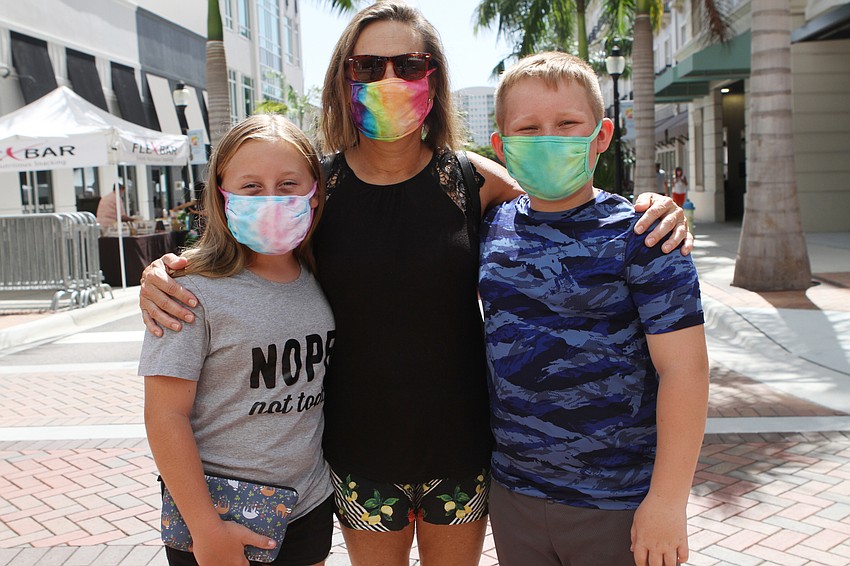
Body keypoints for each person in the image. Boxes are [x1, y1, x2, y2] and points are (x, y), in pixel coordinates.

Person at [137, 3, 692, 564]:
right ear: (342, 78)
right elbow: (254, 245)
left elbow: (558, 206)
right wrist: (164, 272)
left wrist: (655, 211)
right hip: (360, 450)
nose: (388, 81)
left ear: (434, 77)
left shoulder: (472, 180)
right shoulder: (316, 191)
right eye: (367, 66)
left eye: (408, 65)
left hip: (462, 446)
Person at [481, 52, 709, 566]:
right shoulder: (492, 227)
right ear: (503, 145)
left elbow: (685, 370)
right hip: (513, 496)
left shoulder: (645, 234)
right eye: (528, 128)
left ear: (601, 135)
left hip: (619, 504)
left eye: (566, 124)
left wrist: (668, 502)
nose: (548, 139)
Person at [139, 114, 335, 566]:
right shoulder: (188, 290)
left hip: (307, 506)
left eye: (289, 183)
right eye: (251, 186)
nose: (271, 197)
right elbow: (165, 415)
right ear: (222, 194)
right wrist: (206, 528)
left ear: (315, 191)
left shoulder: (317, 273)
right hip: (217, 515)